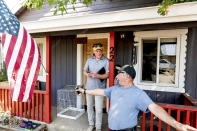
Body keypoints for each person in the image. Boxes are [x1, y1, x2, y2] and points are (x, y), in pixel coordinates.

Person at [77, 65, 197, 131]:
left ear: (127, 76)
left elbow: (155, 108)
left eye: (119, 73)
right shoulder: (114, 89)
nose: (117, 76)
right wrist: (84, 91)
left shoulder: (138, 94)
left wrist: (178, 125)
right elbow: (100, 91)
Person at [83, 43, 109, 131]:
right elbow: (84, 71)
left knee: (98, 110)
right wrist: (88, 74)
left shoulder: (106, 61)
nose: (99, 53)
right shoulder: (89, 60)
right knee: (89, 107)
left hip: (99, 89)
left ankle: (98, 127)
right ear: (94, 52)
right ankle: (91, 124)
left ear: (102, 51)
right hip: (89, 88)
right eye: (97, 51)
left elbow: (107, 75)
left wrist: (97, 75)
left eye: (100, 51)